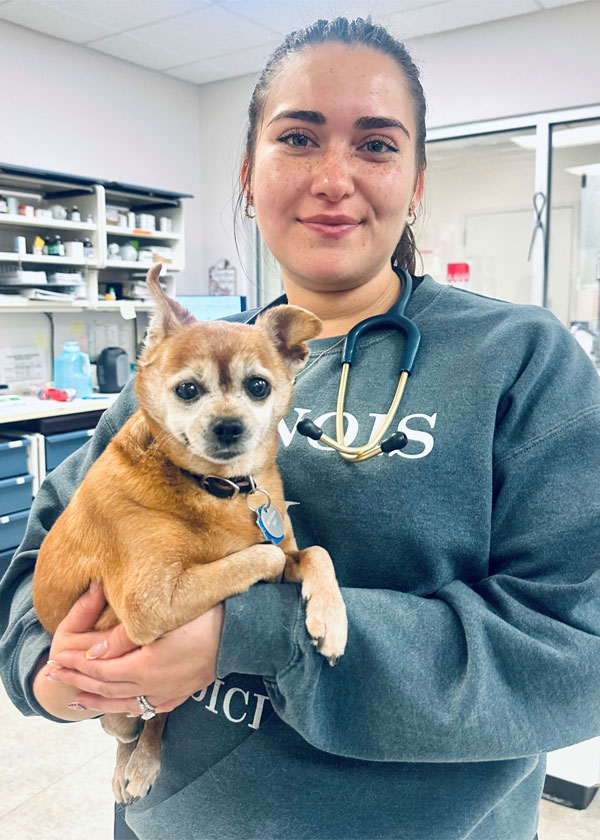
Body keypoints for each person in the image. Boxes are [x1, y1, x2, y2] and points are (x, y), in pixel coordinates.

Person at [1, 16, 600, 840]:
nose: (333, 178)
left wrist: (250, 634)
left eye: (378, 145)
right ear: (248, 177)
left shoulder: (522, 360)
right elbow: (35, 577)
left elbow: (575, 654)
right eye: (298, 138)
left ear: (417, 180)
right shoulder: (174, 379)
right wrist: (54, 676)